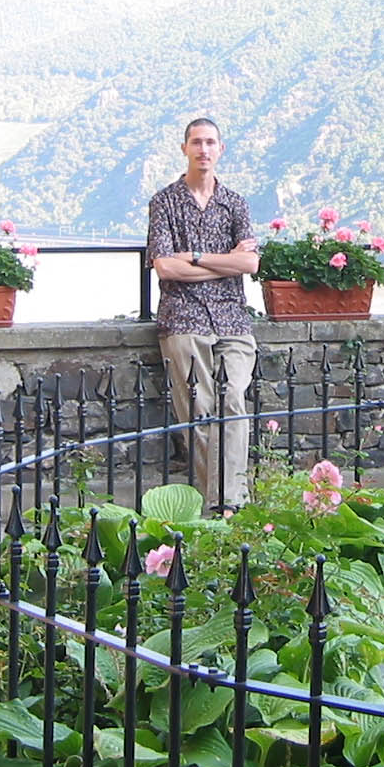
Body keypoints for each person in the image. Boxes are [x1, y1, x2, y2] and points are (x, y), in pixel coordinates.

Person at [145, 117, 258, 511]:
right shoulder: (165, 202)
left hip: (231, 319)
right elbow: (164, 267)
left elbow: (251, 264)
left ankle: (222, 504)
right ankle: (228, 505)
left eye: (211, 142)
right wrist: (226, 262)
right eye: (196, 142)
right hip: (183, 318)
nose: (204, 149)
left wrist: (194, 257)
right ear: (185, 149)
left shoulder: (236, 204)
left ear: (221, 149)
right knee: (199, 409)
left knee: (234, 403)